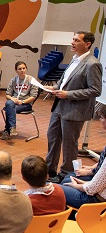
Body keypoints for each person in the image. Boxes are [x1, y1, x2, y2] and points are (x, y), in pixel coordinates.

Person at [46, 31, 102, 181]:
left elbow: (95, 90)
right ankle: (50, 170)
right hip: (59, 107)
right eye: (73, 39)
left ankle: (65, 174)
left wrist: (68, 94)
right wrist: (55, 87)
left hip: (74, 111)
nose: (72, 42)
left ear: (87, 44)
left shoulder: (92, 64)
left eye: (76, 40)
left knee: (69, 144)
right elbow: (65, 80)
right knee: (52, 137)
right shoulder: (74, 59)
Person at [62, 105, 106, 208]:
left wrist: (76, 185)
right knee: (68, 179)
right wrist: (85, 181)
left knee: (58, 188)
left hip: (96, 199)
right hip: (98, 190)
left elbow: (92, 189)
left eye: (102, 118)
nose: (100, 120)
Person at [0, 61, 39, 140]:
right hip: (14, 102)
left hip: (26, 104)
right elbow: (7, 95)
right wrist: (12, 98)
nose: (22, 70)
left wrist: (23, 101)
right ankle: (12, 127)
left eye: (24, 68)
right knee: (9, 103)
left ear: (26, 69)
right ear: (16, 70)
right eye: (19, 69)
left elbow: (33, 96)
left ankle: (8, 130)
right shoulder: (13, 80)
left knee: (9, 108)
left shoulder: (31, 80)